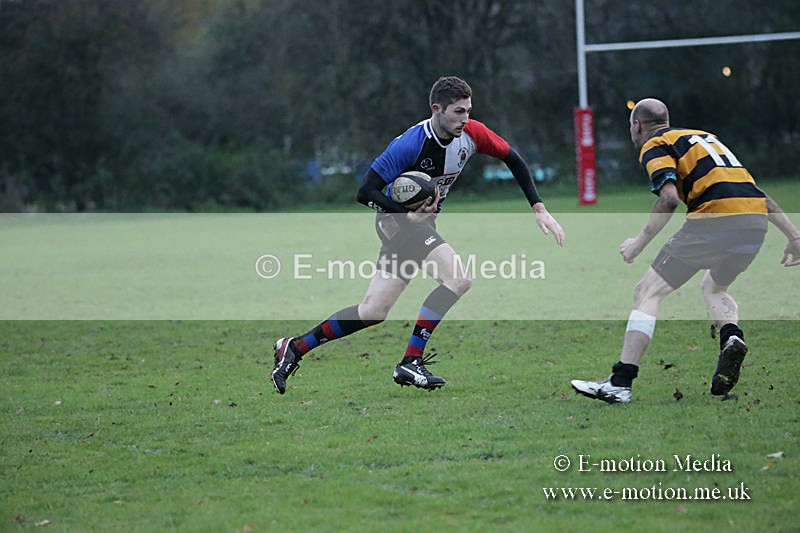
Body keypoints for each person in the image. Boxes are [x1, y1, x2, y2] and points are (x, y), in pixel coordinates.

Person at [271, 76, 565, 394]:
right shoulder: (410, 144)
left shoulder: (472, 134)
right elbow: (365, 191)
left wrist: (539, 207)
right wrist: (404, 215)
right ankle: (411, 361)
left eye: (468, 111)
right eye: (458, 112)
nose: (465, 119)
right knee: (459, 278)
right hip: (397, 223)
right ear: (437, 109)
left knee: (373, 311)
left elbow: (513, 158)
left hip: (423, 224)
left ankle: (295, 347)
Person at [571, 98, 800, 404]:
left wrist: (638, 243)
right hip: (753, 223)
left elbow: (668, 199)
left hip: (713, 221)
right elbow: (757, 193)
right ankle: (731, 336)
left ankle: (620, 382)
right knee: (715, 287)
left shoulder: (655, 144)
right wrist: (794, 236)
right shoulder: (707, 138)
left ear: (637, 125)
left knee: (646, 293)